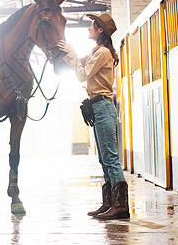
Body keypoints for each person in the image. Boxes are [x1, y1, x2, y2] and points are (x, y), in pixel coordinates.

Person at [57, 13, 130, 220]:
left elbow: (81, 74)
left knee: (111, 158)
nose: (89, 28)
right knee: (103, 158)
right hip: (98, 108)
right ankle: (109, 203)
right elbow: (78, 65)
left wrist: (71, 52)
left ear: (100, 31)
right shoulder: (97, 52)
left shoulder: (103, 53)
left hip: (103, 107)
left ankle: (121, 206)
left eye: (92, 25)